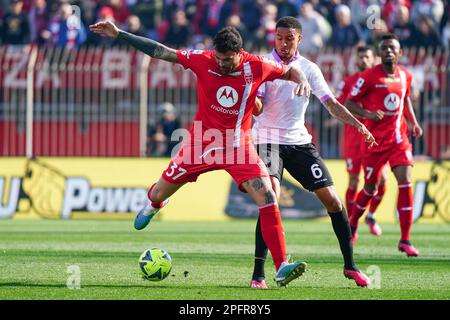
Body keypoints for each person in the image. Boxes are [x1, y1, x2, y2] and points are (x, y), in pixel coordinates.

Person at [89, 21, 317, 287]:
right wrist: (120, 34)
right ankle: (154, 204)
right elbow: (160, 51)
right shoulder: (203, 60)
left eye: (228, 60)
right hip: (201, 144)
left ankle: (281, 266)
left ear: (239, 53)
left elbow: (290, 71)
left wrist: (300, 77)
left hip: (238, 147)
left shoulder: (256, 65)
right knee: (159, 192)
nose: (222, 64)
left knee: (268, 197)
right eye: (219, 59)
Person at [250, 16, 376, 289]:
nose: (283, 44)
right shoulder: (262, 64)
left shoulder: (310, 68)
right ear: (274, 37)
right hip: (267, 141)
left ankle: (350, 266)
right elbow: (256, 106)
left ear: (299, 40)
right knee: (269, 199)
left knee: (333, 200)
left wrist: (359, 125)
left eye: (289, 39)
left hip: (299, 143)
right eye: (279, 38)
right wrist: (254, 101)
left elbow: (331, 104)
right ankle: (258, 274)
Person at [345, 33, 423, 257]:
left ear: (399, 53)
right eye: (385, 48)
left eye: (392, 48)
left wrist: (414, 123)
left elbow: (405, 98)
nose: (388, 51)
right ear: (379, 54)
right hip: (374, 141)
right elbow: (349, 103)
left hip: (399, 140)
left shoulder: (405, 75)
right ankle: (352, 225)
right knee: (370, 189)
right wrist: (369, 113)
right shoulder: (369, 76)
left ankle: (405, 239)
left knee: (405, 181)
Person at [336, 45, 385, 238]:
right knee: (354, 180)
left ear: (374, 60)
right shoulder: (348, 82)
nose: (363, 60)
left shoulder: (381, 81)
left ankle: (371, 215)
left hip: (376, 138)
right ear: (356, 60)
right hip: (354, 139)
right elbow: (339, 106)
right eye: (360, 57)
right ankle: (351, 224)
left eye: (367, 57)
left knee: (380, 181)